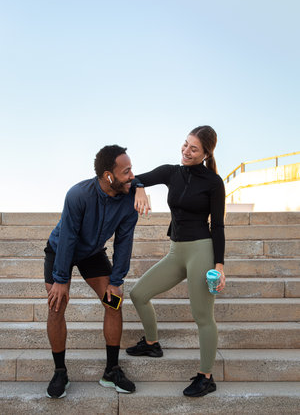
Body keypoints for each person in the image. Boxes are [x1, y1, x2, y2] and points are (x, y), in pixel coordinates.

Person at [126, 126, 226, 398]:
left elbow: (217, 226)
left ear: (206, 153)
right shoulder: (172, 172)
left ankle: (206, 377)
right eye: (185, 144)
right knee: (138, 293)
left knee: (202, 316)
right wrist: (139, 189)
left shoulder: (214, 183)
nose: (186, 151)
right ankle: (151, 343)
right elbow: (134, 179)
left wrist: (219, 265)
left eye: (194, 149)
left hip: (201, 251)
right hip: (176, 251)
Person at [44, 145, 139, 398]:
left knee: (114, 303)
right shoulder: (78, 195)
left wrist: (116, 281)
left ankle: (111, 370)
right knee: (56, 305)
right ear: (109, 176)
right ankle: (60, 372)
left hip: (92, 254)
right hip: (60, 250)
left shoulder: (130, 200)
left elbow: (123, 241)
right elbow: (68, 237)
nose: (132, 175)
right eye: (126, 171)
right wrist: (61, 279)